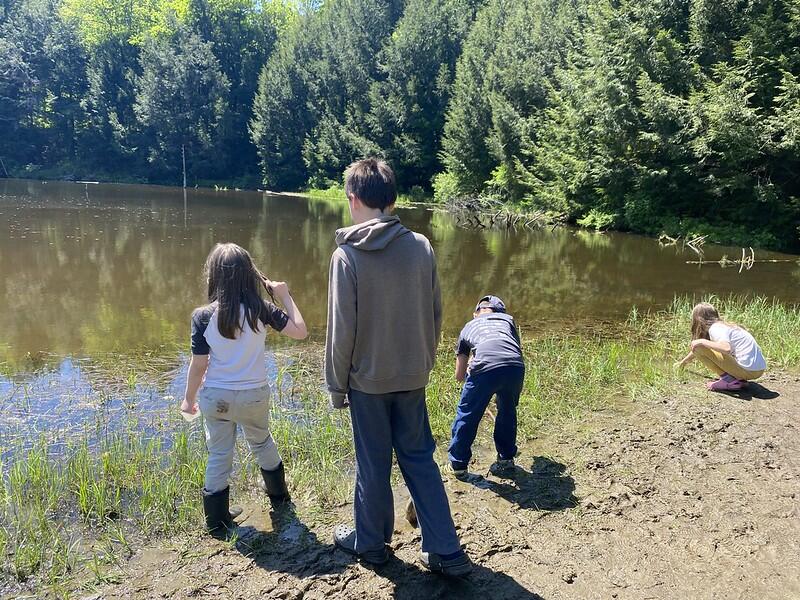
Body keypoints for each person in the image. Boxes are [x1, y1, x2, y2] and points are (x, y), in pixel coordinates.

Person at [325, 158, 471, 577]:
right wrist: (423, 361)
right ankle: (445, 549)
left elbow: (341, 333)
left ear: (353, 200)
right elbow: (435, 313)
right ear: (391, 199)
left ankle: (370, 543)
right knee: (419, 457)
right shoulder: (421, 246)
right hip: (412, 376)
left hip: (368, 384)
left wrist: (337, 387)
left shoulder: (346, 255)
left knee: (372, 463)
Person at [181, 243, 307, 538]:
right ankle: (279, 498)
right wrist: (285, 296)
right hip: (253, 395)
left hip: (218, 398)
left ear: (213, 276)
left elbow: (199, 365)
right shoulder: (261, 309)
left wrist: (188, 399)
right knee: (262, 441)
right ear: (250, 276)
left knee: (219, 452)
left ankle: (217, 520)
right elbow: (301, 332)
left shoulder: (202, 316)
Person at [447, 295, 525, 478]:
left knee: (467, 414)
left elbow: (459, 376)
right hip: (515, 367)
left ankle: (458, 464)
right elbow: (514, 348)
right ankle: (506, 459)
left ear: (476, 313)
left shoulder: (468, 326)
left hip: (484, 368)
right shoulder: (508, 320)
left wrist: (471, 370)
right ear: (499, 312)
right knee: (507, 411)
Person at [676, 302, 766, 391]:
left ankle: (729, 381)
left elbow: (726, 348)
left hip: (749, 371)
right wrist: (683, 363)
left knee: (699, 347)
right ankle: (739, 379)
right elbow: (702, 350)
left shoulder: (716, 328)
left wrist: (702, 341)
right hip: (758, 370)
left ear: (698, 320)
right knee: (700, 347)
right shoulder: (725, 326)